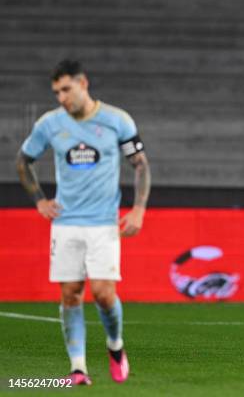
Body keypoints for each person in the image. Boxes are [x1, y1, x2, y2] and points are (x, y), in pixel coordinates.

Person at [16, 60, 151, 384]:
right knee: (71, 294)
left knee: (104, 294)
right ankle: (78, 368)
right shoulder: (50, 124)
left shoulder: (117, 120)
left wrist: (138, 210)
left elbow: (141, 165)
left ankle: (115, 345)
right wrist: (40, 200)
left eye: (66, 89)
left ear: (83, 83)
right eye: (56, 92)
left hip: (104, 223)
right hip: (65, 223)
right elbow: (24, 161)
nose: (61, 97)